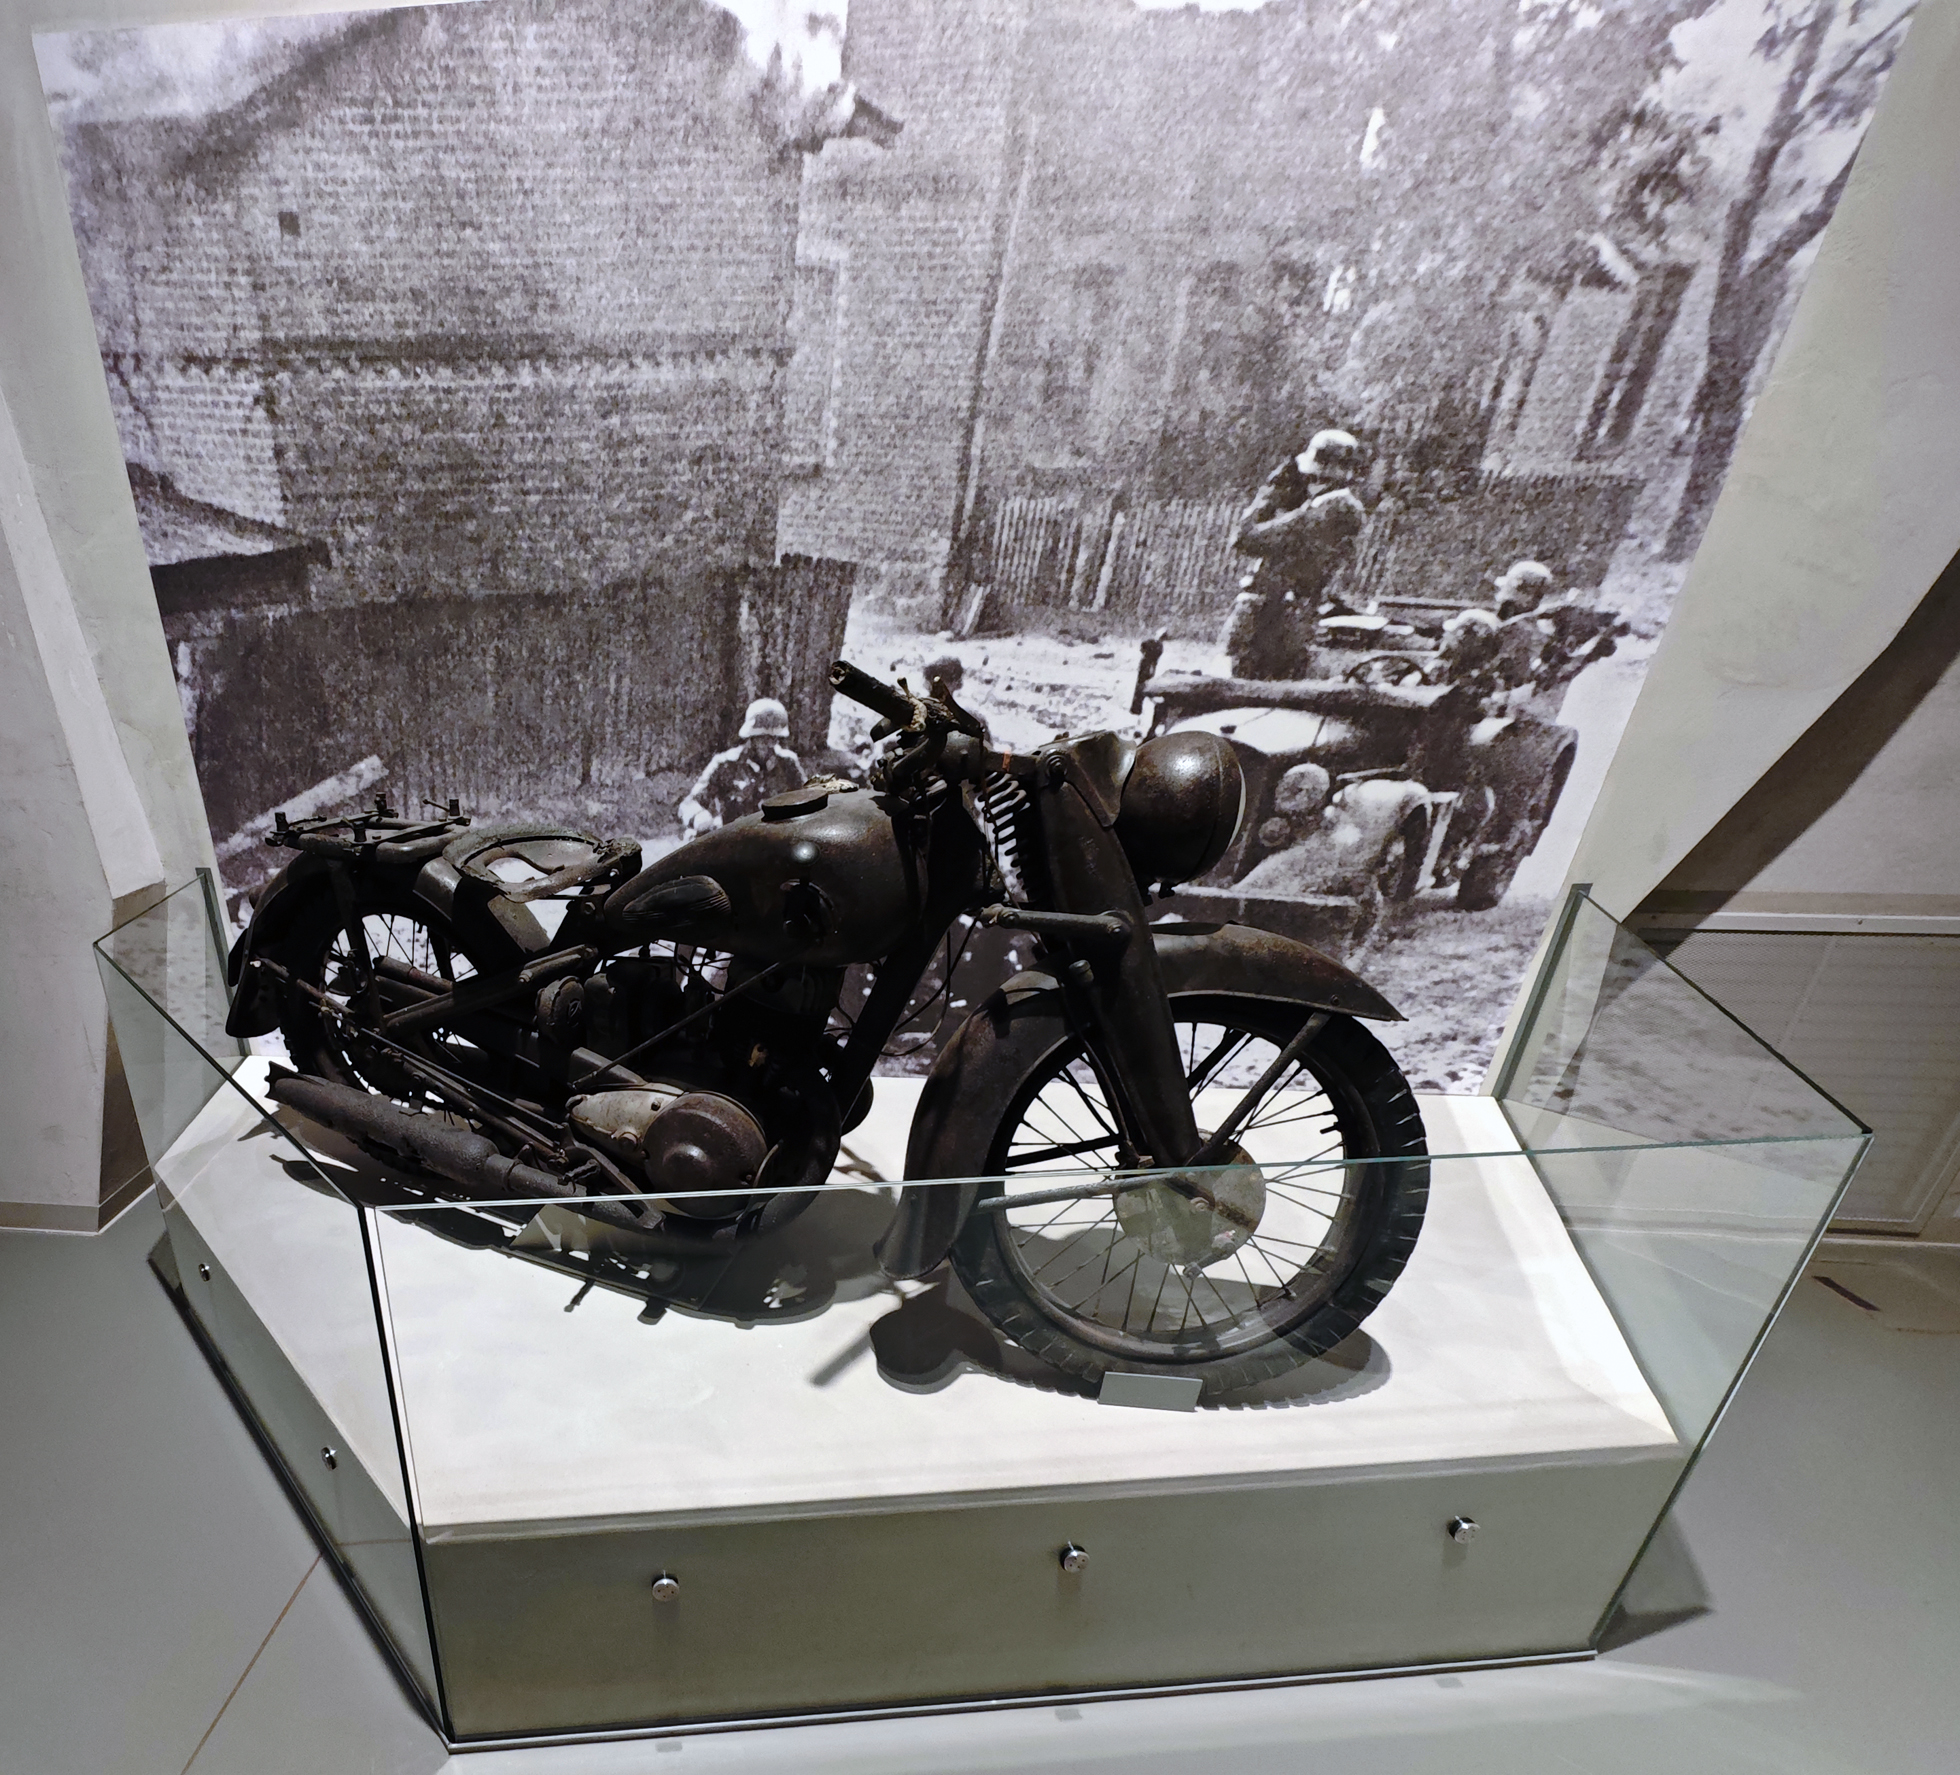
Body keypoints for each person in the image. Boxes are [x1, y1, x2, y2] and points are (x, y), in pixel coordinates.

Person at [1221, 428, 1369, 679]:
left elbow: (1244, 537)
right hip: (1287, 617)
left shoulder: (1328, 509)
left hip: (1274, 623)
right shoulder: (1338, 508)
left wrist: (1271, 492)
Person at [677, 698, 803, 837]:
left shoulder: (788, 764)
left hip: (778, 841)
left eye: (773, 738)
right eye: (762, 737)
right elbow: (689, 804)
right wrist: (698, 817)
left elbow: (809, 799)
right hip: (735, 841)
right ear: (751, 737)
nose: (768, 744)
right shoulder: (726, 764)